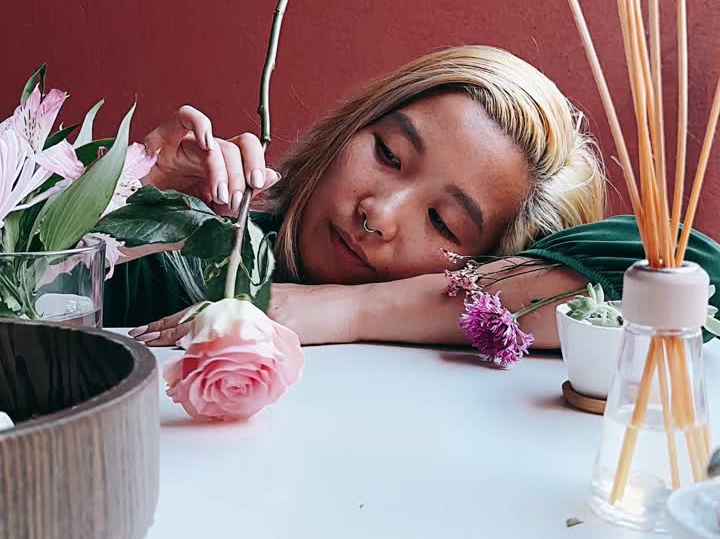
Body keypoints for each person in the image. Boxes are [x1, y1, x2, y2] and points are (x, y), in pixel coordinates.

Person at [103, 46, 720, 348]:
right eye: (389, 154)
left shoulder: (465, 319)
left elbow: (689, 271)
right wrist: (119, 196)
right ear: (353, 126)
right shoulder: (197, 250)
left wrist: (347, 313)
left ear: (491, 258)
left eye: (444, 223)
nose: (378, 213)